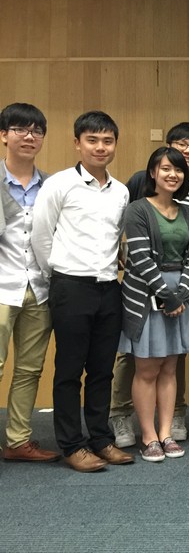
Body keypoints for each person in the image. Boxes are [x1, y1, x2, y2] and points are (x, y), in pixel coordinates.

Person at [31, 110, 133, 472]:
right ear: (77, 143)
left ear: (115, 145)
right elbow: (41, 237)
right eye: (92, 140)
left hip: (109, 289)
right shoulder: (59, 185)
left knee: (103, 369)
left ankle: (101, 439)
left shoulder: (120, 192)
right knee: (70, 370)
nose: (100, 147)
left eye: (107, 141)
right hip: (70, 286)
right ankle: (72, 445)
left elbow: (117, 241)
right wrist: (56, 277)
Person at [110, 122, 189, 446]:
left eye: (177, 170)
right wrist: (166, 295)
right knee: (145, 368)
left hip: (179, 294)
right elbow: (138, 255)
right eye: (166, 168)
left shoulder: (187, 211)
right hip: (146, 295)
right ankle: (147, 435)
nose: (172, 174)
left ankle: (166, 434)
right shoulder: (137, 208)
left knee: (170, 367)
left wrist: (181, 293)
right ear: (153, 172)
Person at [0, 103, 59, 463]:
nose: (29, 136)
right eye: (20, 129)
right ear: (4, 135)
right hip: (1, 286)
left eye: (37, 130)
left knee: (30, 368)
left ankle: (18, 440)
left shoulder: (52, 186)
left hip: (39, 287)